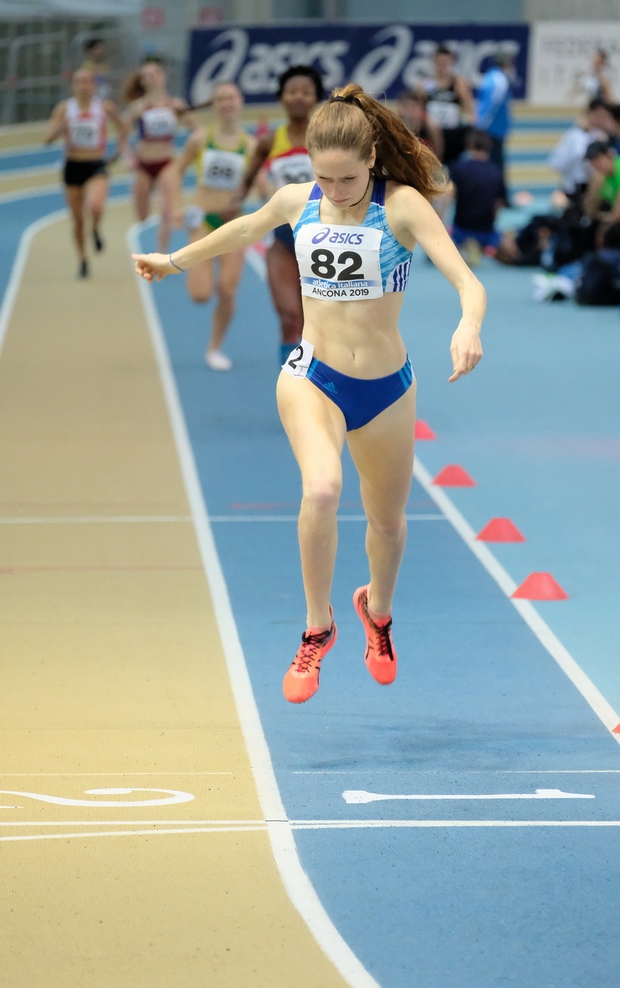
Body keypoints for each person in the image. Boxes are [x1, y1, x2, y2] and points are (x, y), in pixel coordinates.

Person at [133, 83, 486, 705]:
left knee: (387, 523)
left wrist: (469, 325)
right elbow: (244, 227)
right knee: (322, 489)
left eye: (347, 179)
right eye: (324, 177)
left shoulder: (402, 206)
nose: (335, 190)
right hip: (313, 375)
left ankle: (376, 611)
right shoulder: (299, 200)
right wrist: (175, 260)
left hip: (386, 388)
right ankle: (317, 628)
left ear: (372, 159)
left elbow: (467, 281)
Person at [233, 65, 324, 365]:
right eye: (292, 91)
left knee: (317, 325)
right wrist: (234, 205)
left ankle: (317, 380)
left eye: (306, 92)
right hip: (284, 240)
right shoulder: (269, 142)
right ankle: (289, 379)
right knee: (289, 317)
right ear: (281, 97)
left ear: (316, 98)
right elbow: (246, 183)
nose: (298, 97)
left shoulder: (327, 139)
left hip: (323, 242)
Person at [171, 81, 254, 371]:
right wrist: (176, 207)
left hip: (234, 224)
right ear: (214, 105)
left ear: (240, 102)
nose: (226, 103)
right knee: (200, 295)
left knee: (228, 291)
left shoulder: (251, 145)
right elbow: (176, 171)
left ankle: (214, 347)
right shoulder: (200, 139)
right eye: (220, 99)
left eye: (231, 98)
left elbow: (262, 183)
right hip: (204, 221)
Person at [44, 67, 127, 278]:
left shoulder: (105, 107)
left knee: (95, 206)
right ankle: (82, 259)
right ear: (73, 86)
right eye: (78, 82)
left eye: (86, 81)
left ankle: (96, 228)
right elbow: (47, 139)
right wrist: (60, 129)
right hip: (73, 166)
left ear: (94, 85)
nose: (83, 86)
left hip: (96, 164)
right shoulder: (64, 109)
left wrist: (119, 150)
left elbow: (123, 127)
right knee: (78, 220)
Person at [124, 57, 196, 253]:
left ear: (163, 77)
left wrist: (186, 156)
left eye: (155, 74)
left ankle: (161, 254)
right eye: (146, 76)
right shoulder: (137, 107)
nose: (152, 78)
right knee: (142, 216)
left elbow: (197, 131)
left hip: (167, 163)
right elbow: (123, 139)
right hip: (143, 165)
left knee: (167, 213)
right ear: (142, 81)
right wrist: (128, 157)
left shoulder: (176, 105)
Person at [448, 129, 507, 264]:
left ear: (469, 145)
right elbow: (498, 205)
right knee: (505, 244)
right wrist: (491, 224)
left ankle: (464, 246)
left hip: (461, 228)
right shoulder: (497, 172)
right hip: (486, 231)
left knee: (447, 238)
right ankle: (486, 247)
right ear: (489, 146)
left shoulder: (458, 168)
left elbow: (448, 197)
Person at [547, 97, 609, 204]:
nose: (600, 120)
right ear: (588, 113)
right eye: (598, 115)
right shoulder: (574, 135)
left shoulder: (603, 136)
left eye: (604, 116)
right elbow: (557, 163)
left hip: (598, 187)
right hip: (576, 186)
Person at [421, 44, 474, 165]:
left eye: (445, 62)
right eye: (439, 62)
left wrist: (470, 122)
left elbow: (470, 107)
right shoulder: (425, 85)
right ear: (434, 62)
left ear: (451, 62)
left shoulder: (458, 83)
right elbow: (420, 107)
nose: (442, 65)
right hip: (432, 133)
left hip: (452, 132)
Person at [474, 51, 514, 178]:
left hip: (492, 128)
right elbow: (491, 105)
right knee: (495, 163)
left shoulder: (490, 77)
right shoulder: (499, 80)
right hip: (492, 129)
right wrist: (481, 126)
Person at [397, 88, 444, 160]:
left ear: (423, 110)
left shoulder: (430, 129)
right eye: (407, 106)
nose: (410, 110)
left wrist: (434, 130)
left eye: (414, 106)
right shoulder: (396, 128)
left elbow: (438, 153)